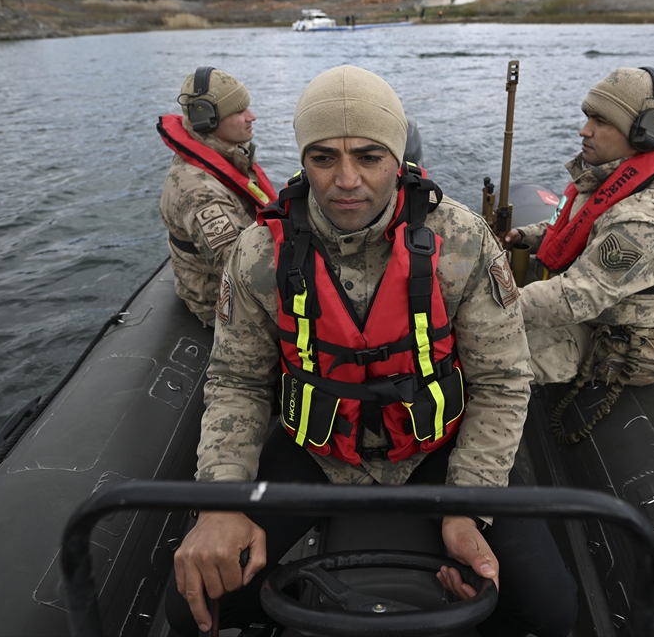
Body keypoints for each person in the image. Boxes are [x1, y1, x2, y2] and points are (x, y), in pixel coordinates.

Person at [167, 65, 576, 637]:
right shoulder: (259, 253)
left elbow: (503, 379)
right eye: (323, 158)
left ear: (398, 158)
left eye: (369, 156)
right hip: (318, 451)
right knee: (192, 610)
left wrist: (468, 503)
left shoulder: (462, 241)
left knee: (552, 611)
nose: (346, 180)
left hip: (437, 447)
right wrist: (220, 500)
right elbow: (238, 380)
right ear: (303, 160)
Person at [505, 66, 654, 394]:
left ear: (642, 134)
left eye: (601, 121)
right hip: (587, 307)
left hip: (606, 336)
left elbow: (576, 297)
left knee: (487, 357)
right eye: (588, 117)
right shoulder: (614, 175)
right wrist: (529, 236)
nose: (584, 130)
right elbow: (580, 224)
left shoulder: (646, 221)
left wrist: (487, 307)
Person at [158, 67, 276, 325]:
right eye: (239, 111)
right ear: (207, 119)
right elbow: (244, 273)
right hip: (222, 304)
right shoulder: (200, 192)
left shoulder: (228, 153)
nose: (252, 116)